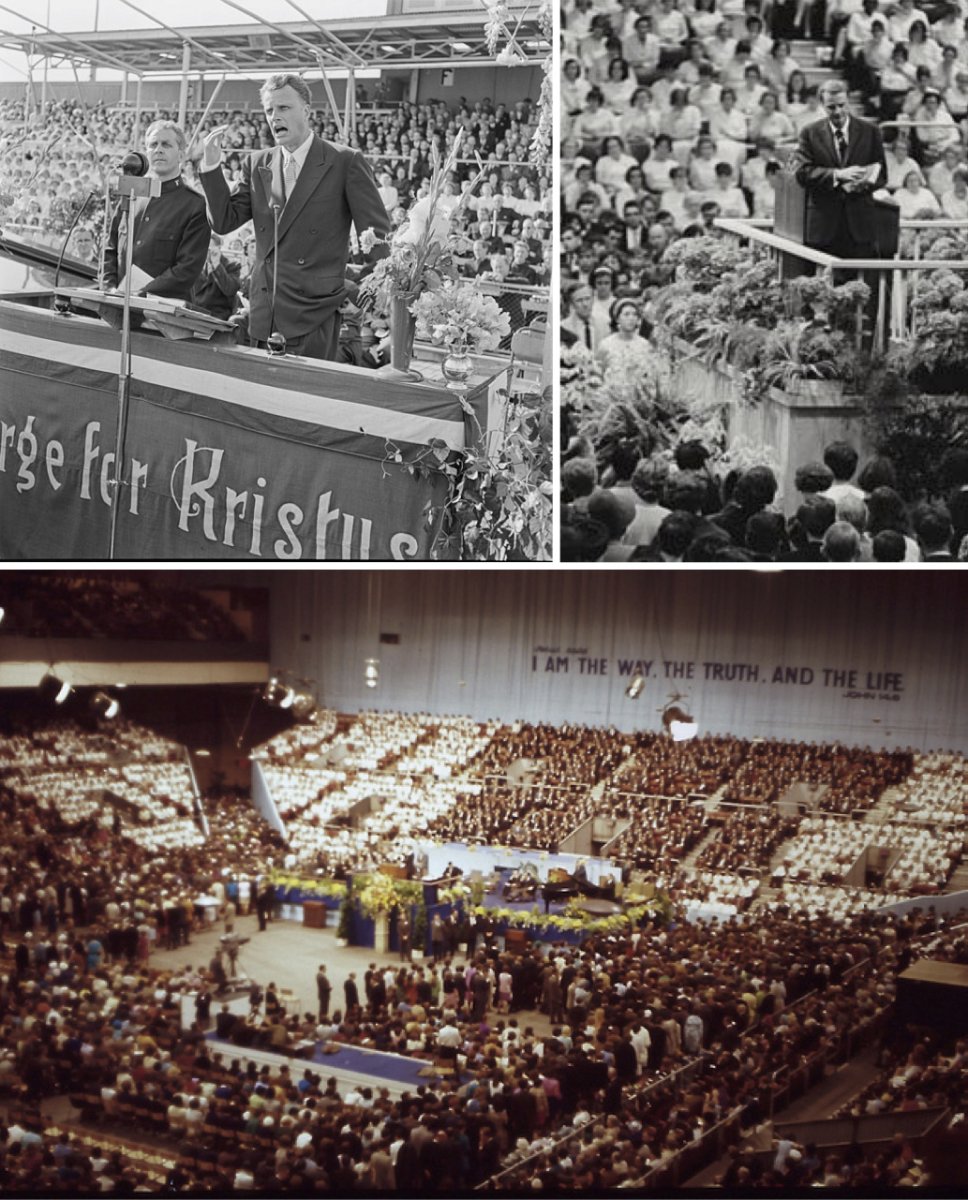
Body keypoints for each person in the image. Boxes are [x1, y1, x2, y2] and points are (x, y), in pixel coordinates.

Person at [199, 73, 390, 361]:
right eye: (269, 110)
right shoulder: (257, 162)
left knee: (304, 401)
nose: (274, 117)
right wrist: (212, 168)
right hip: (264, 310)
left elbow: (376, 237)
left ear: (306, 110)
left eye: (284, 108)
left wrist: (364, 295)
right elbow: (224, 221)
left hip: (315, 311)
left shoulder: (345, 161)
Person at [103, 119, 209, 301]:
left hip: (162, 315)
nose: (158, 149)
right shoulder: (131, 194)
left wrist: (140, 293)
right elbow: (111, 247)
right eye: (153, 145)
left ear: (181, 156)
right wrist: (109, 287)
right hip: (117, 306)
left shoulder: (195, 205)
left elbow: (187, 269)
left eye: (166, 145)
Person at [792, 79, 888, 260]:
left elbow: (882, 174)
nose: (838, 112)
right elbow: (802, 173)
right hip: (823, 227)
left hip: (860, 226)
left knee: (859, 285)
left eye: (842, 105)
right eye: (831, 107)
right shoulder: (809, 133)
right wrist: (837, 175)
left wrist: (858, 185)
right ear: (822, 105)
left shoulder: (870, 131)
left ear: (849, 101)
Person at [190, 234, 241, 320]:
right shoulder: (197, 265)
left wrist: (217, 266)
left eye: (209, 249)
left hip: (216, 315)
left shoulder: (231, 266)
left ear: (219, 248)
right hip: (195, 312)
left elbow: (230, 289)